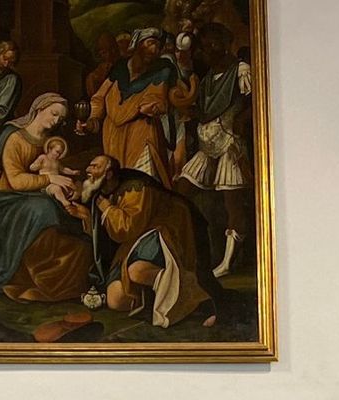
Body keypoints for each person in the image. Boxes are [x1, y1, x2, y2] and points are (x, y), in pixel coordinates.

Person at [0, 93, 90, 301]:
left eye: (60, 119)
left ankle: (50, 276)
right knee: (42, 208)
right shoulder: (15, 137)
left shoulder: (52, 144)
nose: (55, 121)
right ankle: (22, 270)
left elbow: (59, 172)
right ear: (38, 109)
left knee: (58, 209)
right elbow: (15, 181)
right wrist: (50, 178)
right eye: (53, 114)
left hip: (34, 194)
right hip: (5, 195)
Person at [68, 154, 219, 328]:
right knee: (115, 300)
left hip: (166, 231)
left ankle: (196, 298)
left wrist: (108, 209)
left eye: (95, 166)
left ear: (108, 174)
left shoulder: (135, 187)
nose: (88, 170)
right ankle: (155, 295)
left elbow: (127, 228)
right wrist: (85, 214)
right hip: (137, 240)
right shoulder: (100, 193)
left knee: (137, 271)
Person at [176, 22, 253, 278]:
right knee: (181, 191)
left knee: (232, 202)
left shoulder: (241, 70)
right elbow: (205, 110)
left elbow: (253, 102)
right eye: (205, 45)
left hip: (230, 144)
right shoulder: (208, 78)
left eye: (213, 43)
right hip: (207, 145)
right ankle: (185, 250)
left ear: (224, 44)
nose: (209, 49)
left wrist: (242, 119)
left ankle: (228, 261)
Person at [80, 28, 193, 184]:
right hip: (112, 135)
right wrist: (93, 119)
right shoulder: (119, 68)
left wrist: (152, 108)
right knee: (116, 184)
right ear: (137, 44)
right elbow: (99, 98)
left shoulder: (161, 70)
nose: (154, 49)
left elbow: (158, 97)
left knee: (142, 184)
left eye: (158, 46)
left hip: (142, 132)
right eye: (150, 43)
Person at [28, 136, 78, 207]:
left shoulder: (57, 162)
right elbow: (32, 167)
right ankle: (64, 201)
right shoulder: (43, 157)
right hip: (47, 183)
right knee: (56, 188)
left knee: (69, 182)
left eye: (60, 153)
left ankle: (71, 196)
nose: (58, 155)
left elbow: (63, 169)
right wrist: (36, 166)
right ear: (49, 149)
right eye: (57, 152)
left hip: (58, 180)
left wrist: (72, 172)